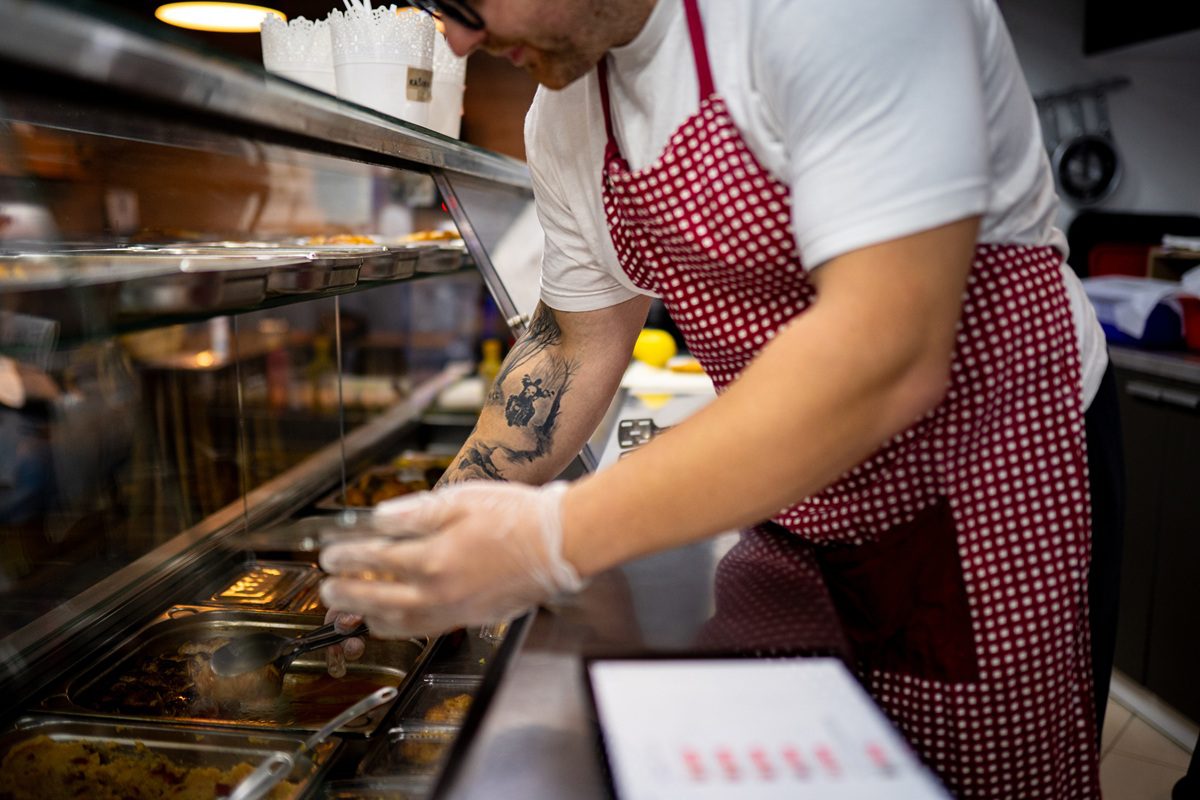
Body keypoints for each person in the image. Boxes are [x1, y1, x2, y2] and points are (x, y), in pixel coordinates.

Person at [320, 0, 1125, 796]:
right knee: (790, 767)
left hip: (983, 484)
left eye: (465, 1)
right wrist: (432, 539)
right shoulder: (564, 116)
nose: (456, 39)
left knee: (980, 781)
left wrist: (551, 539)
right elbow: (571, 342)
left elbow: (885, 352)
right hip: (791, 486)